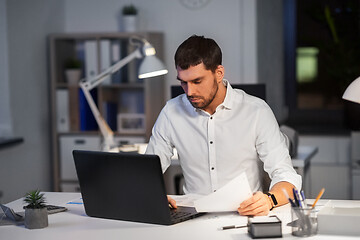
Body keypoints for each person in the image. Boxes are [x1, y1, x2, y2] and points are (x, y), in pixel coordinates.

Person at [145, 35, 301, 216]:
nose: (190, 91)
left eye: (197, 81)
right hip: (192, 217)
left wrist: (269, 199)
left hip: (245, 215)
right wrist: (152, 195)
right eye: (183, 82)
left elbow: (286, 176)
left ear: (219, 73)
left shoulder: (256, 111)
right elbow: (148, 173)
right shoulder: (171, 112)